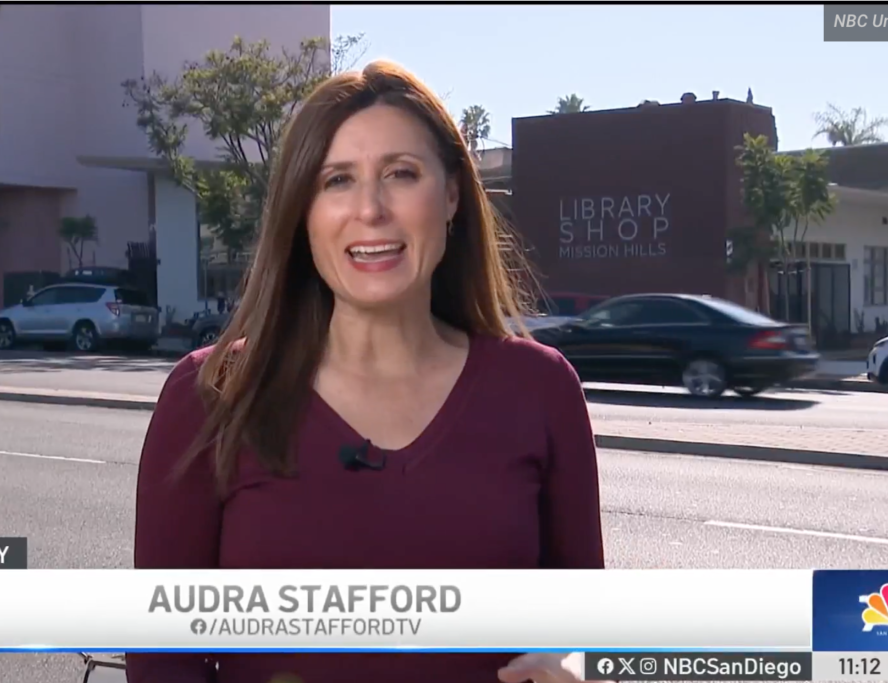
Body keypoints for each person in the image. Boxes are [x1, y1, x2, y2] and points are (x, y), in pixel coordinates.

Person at [129, 60, 604, 683]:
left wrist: (576, 661)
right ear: (302, 213)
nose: (371, 209)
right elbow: (163, 661)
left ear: (453, 195)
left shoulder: (540, 391)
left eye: (401, 174)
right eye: (337, 181)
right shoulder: (211, 395)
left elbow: (589, 631)